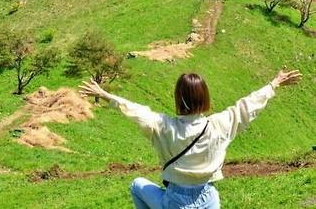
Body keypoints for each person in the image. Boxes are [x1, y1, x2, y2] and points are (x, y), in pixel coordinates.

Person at [79, 69, 302, 209]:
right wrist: (273, 84)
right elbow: (247, 106)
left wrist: (105, 95)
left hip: (175, 201)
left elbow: (136, 111)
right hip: (209, 199)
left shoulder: (163, 126)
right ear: (205, 98)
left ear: (178, 98)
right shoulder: (219, 125)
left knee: (137, 185)